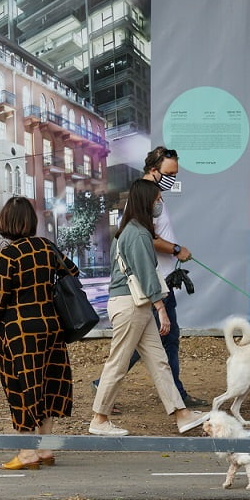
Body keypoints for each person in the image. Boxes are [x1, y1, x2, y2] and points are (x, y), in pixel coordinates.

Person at [89, 179, 207, 437]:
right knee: (118, 363)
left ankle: (182, 414)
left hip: (135, 306)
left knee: (159, 362)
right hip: (132, 306)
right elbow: (146, 275)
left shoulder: (130, 230)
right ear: (146, 201)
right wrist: (161, 308)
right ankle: (99, 419)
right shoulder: (139, 233)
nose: (160, 204)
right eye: (157, 200)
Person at [0, 197, 78, 470]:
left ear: (6, 222)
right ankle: (44, 450)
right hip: (51, 327)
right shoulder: (46, 247)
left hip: (19, 332)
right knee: (48, 386)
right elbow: (73, 271)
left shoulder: (8, 254)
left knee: (22, 388)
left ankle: (27, 453)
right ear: (30, 221)